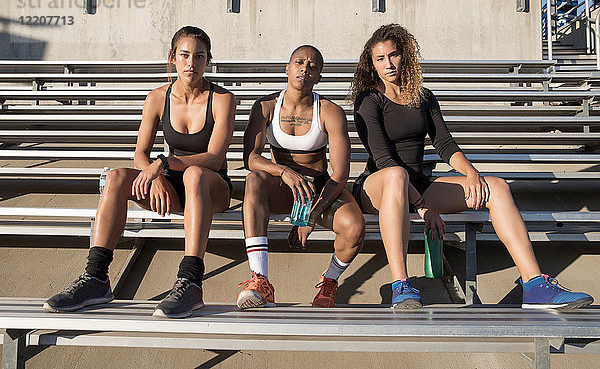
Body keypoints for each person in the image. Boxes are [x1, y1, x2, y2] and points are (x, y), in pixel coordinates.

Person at [351, 23, 593, 310]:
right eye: (380, 59)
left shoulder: (423, 96)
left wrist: (472, 174)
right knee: (396, 175)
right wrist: (423, 207)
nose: (388, 64)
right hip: (378, 186)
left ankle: (534, 284)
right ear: (372, 65)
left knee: (497, 188)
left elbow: (444, 144)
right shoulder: (369, 100)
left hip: (419, 185)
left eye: (393, 55)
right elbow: (383, 159)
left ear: (405, 56)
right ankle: (401, 285)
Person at [43, 26, 236, 318]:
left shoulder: (222, 99)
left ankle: (191, 282)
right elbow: (139, 155)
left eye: (199, 56)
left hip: (211, 186)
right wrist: (156, 173)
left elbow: (215, 157)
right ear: (173, 57)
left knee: (194, 174)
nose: (191, 63)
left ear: (208, 60)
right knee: (115, 177)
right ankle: (96, 278)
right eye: (184, 55)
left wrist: (164, 164)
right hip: (170, 182)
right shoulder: (157, 98)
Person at [237, 45, 365, 309]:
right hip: (282, 187)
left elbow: (340, 173)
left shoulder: (329, 111)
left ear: (319, 77)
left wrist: (311, 216)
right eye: (299, 62)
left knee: (354, 227)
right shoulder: (266, 106)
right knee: (254, 180)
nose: (305, 69)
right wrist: (283, 170)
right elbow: (251, 158)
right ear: (287, 68)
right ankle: (260, 281)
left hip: (318, 188)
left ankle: (329, 281)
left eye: (313, 66)